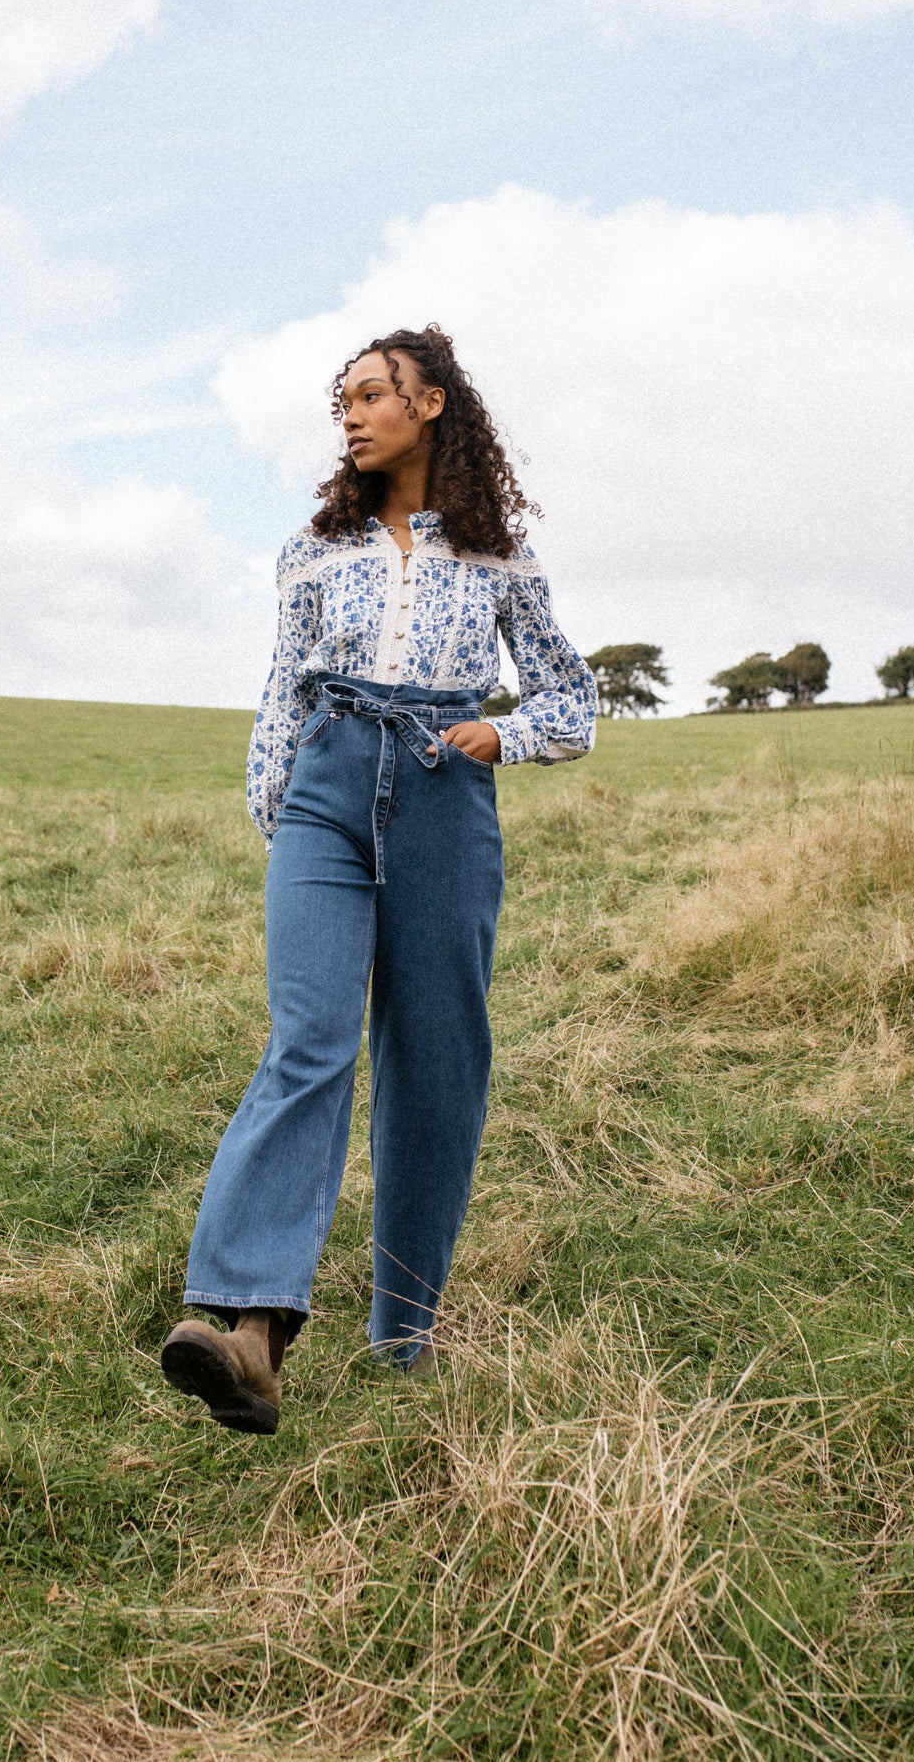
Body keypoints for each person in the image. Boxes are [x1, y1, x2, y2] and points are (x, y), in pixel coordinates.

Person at [160, 326, 596, 1433]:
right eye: (340, 401)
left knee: (436, 1056)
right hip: (328, 786)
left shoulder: (499, 557)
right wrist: (283, 805)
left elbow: (570, 697)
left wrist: (503, 734)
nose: (350, 416)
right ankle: (247, 1328)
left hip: (446, 785)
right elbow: (279, 691)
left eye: (370, 396)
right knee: (310, 1036)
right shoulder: (311, 550)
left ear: (433, 405)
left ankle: (403, 1332)